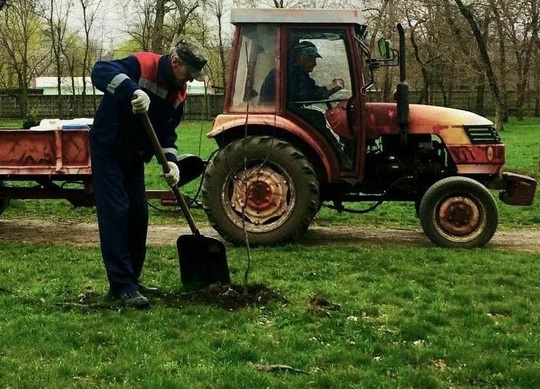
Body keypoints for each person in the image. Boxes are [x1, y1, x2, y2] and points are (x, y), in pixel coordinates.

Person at [90, 39, 208, 308]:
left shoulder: (179, 93)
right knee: (116, 211)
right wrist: (132, 90)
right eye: (188, 73)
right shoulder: (142, 65)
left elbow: (167, 132)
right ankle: (122, 286)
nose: (189, 80)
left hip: (135, 154)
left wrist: (171, 161)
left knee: (138, 214)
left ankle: (133, 279)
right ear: (176, 62)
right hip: (108, 146)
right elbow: (99, 71)